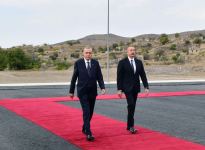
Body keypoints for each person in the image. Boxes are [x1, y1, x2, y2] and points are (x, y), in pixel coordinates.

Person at [69, 46, 105, 141]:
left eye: (90, 53)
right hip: (82, 92)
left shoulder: (95, 63)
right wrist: (71, 91)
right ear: (83, 53)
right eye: (86, 53)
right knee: (86, 112)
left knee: (91, 112)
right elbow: (74, 78)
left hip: (93, 92)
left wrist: (102, 87)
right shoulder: (78, 63)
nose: (88, 54)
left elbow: (99, 77)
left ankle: (84, 127)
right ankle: (88, 132)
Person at [117, 46, 149, 134]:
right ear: (127, 52)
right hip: (126, 88)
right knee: (131, 104)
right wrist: (119, 89)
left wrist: (146, 87)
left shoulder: (139, 62)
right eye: (131, 50)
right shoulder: (122, 62)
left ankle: (128, 125)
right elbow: (119, 77)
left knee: (132, 106)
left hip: (135, 88)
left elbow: (143, 75)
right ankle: (131, 126)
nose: (132, 52)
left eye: (134, 50)